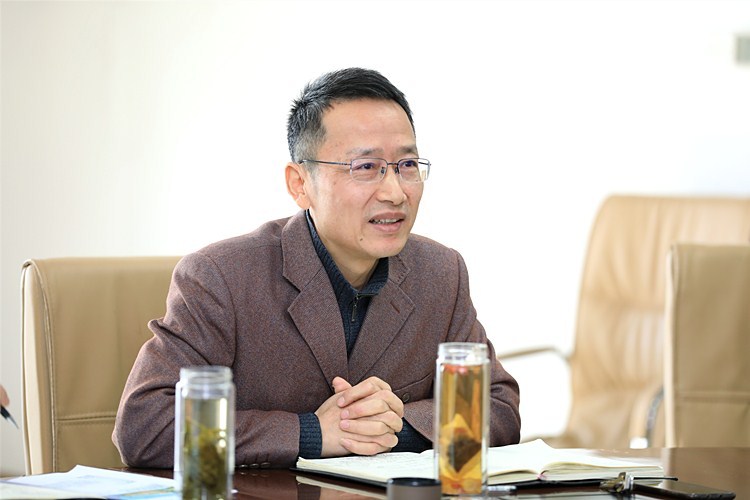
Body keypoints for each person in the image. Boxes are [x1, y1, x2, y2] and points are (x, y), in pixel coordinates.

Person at [113, 68, 520, 468]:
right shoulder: (220, 276)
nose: (395, 192)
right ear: (300, 184)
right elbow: (145, 426)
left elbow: (498, 407)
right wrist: (312, 433)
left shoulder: (441, 272)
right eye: (366, 167)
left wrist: (394, 428)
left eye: (407, 165)